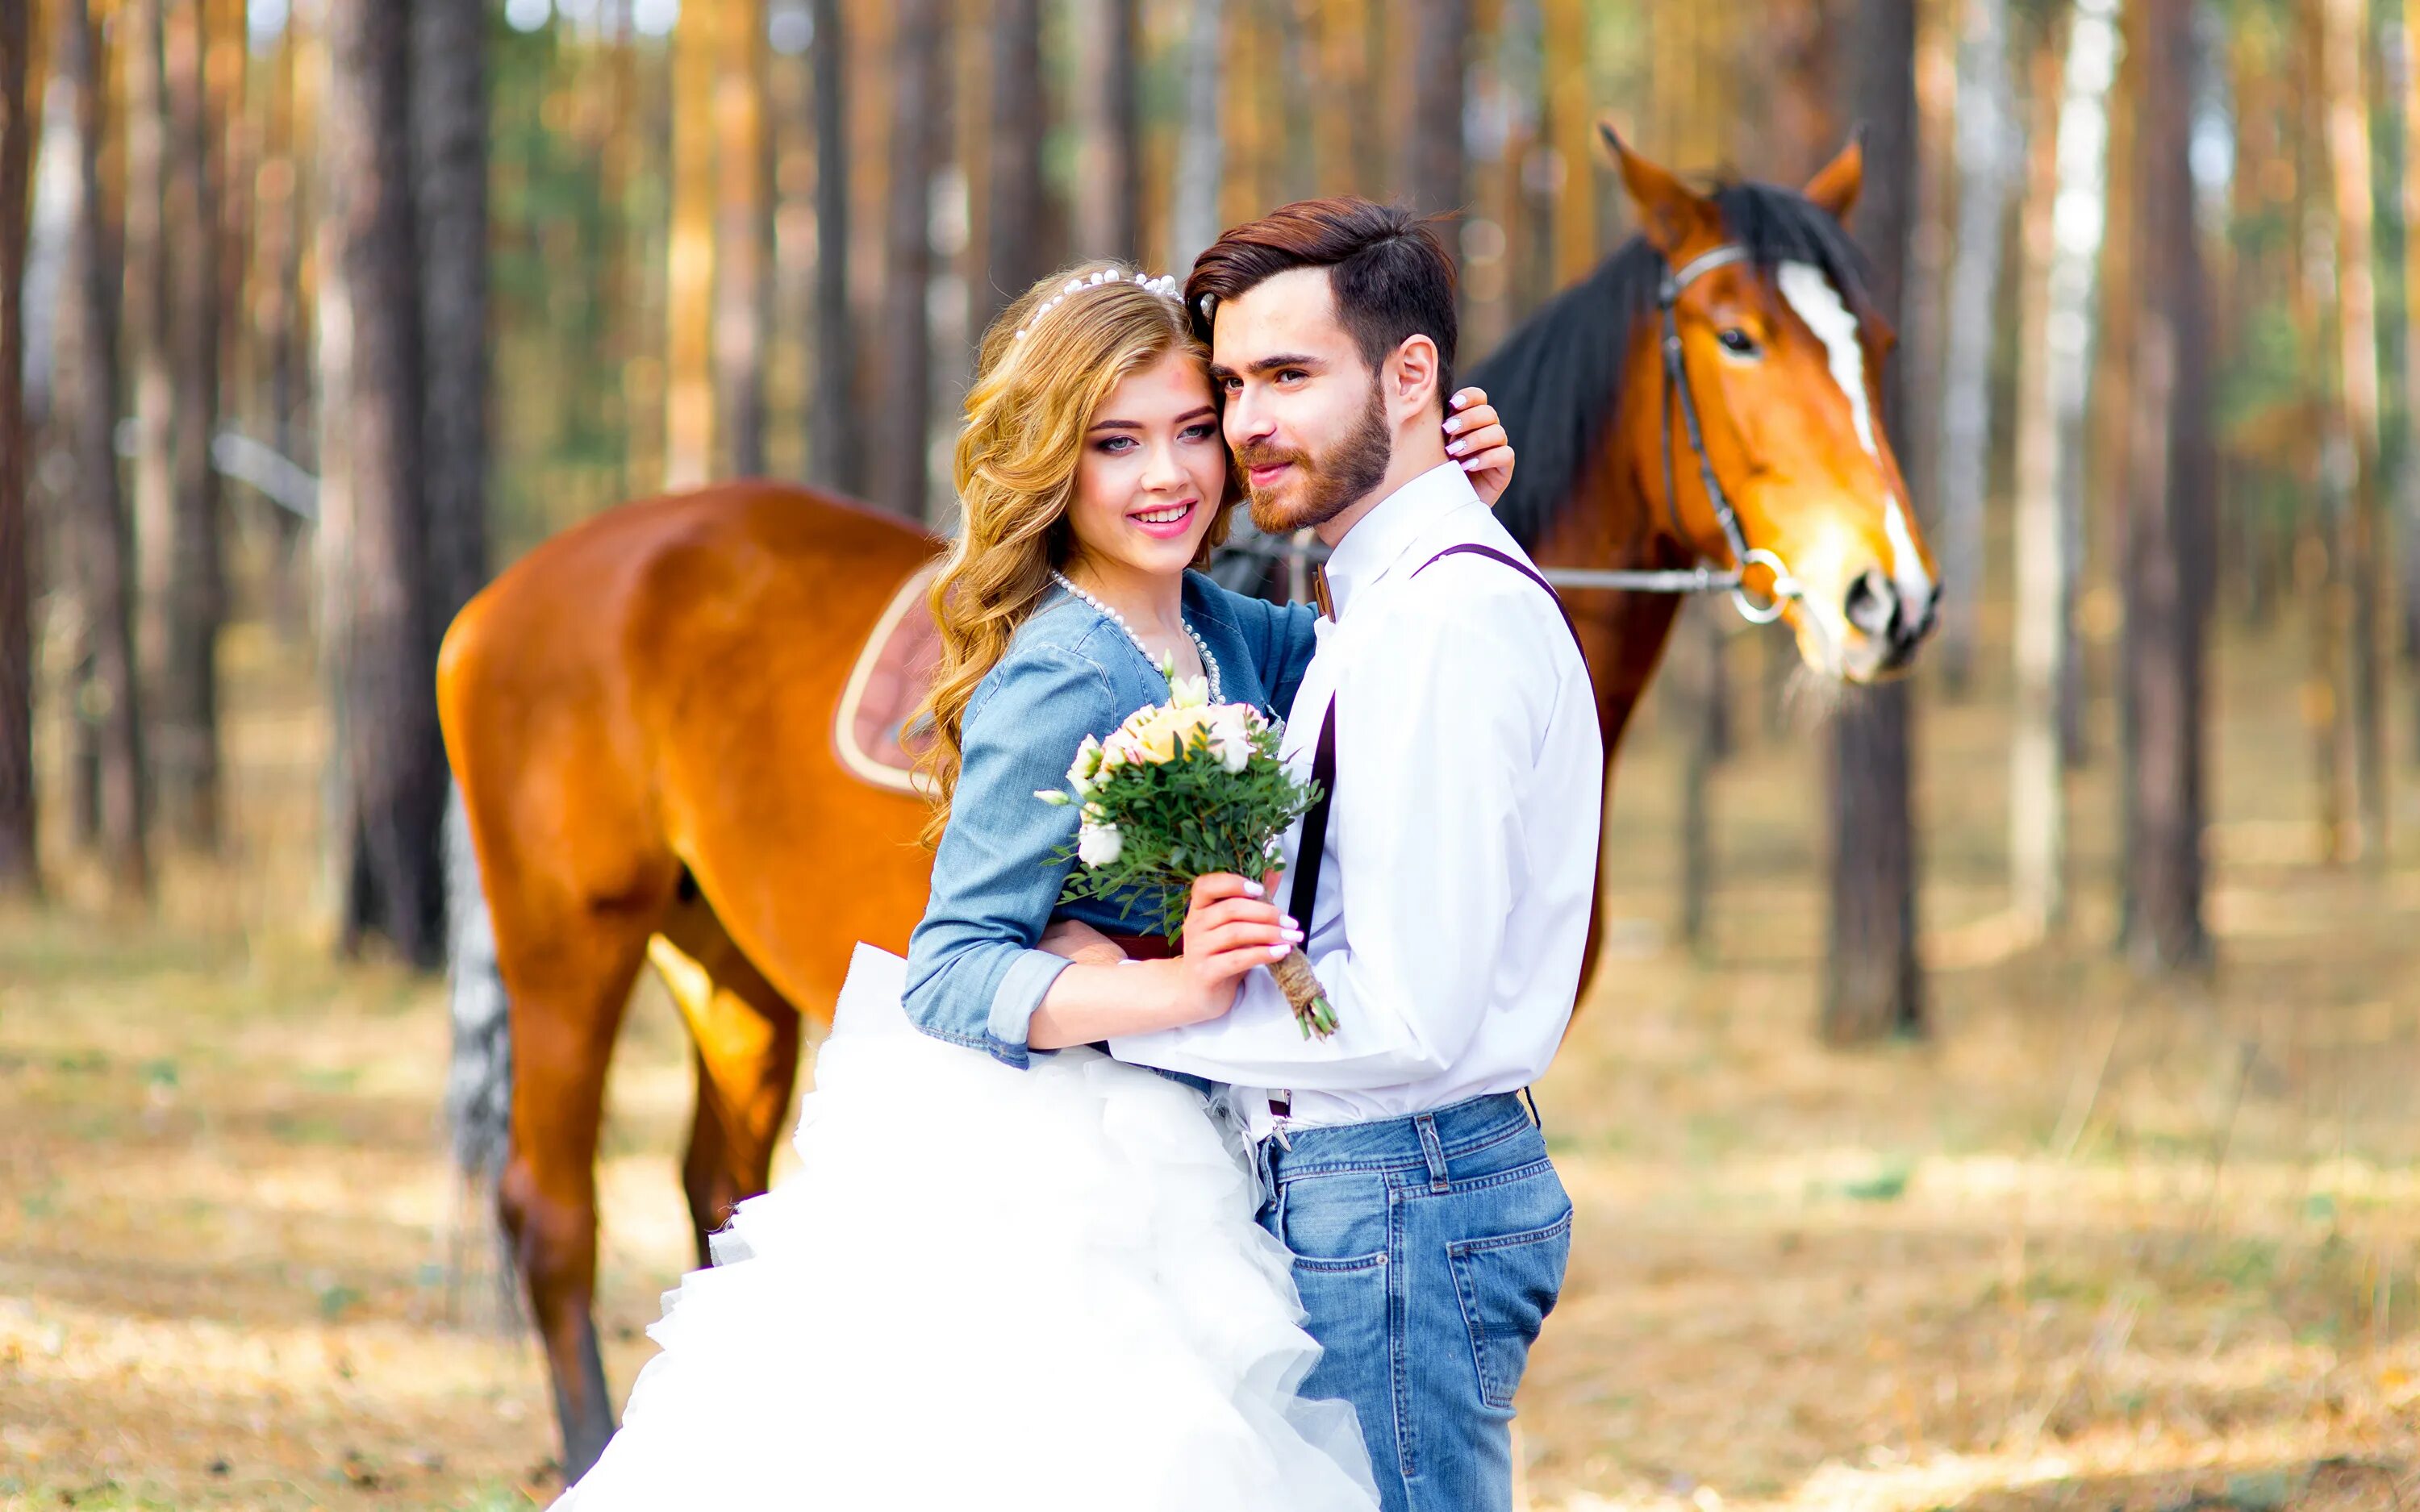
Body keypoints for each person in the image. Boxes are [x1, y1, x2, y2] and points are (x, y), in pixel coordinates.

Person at [550, 261, 1519, 1510]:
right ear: (1052, 462)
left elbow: (1378, 657)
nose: (1166, 476)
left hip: (1201, 1130)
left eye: (1189, 432)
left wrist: (1442, 497)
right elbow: (951, 970)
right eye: (1116, 444)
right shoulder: (1061, 673)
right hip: (1063, 1171)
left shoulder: (1222, 629)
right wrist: (1174, 984)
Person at [1099, 198, 1605, 1512]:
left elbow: (1410, 1018)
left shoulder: (1443, 625)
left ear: (1412, 372)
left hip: (1397, 1193)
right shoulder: (1387, 599)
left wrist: (1127, 1026)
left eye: (1289, 375)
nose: (1249, 422)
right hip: (1376, 1189)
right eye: (1232, 384)